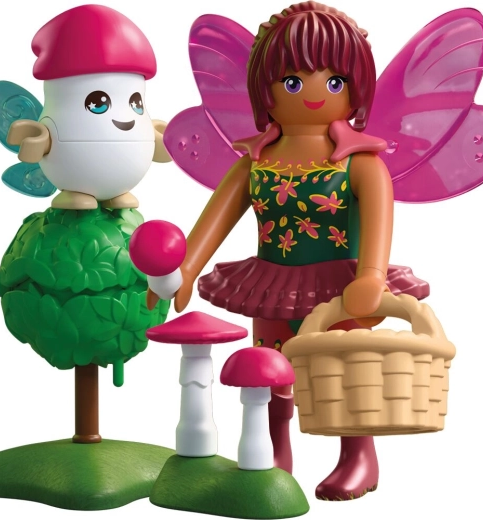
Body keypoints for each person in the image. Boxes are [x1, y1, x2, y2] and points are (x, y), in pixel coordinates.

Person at [150, 2, 428, 500]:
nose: (316, 94)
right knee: (271, 368)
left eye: (335, 81)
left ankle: (358, 456)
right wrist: (186, 267)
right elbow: (216, 218)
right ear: (266, 90)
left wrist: (371, 275)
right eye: (294, 82)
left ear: (356, 87)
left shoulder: (361, 163)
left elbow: (380, 222)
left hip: (341, 288)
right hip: (273, 284)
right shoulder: (257, 161)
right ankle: (274, 449)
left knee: (346, 371)